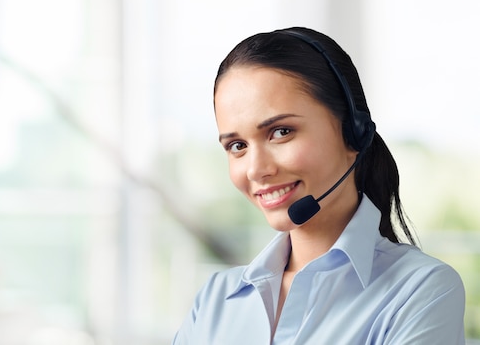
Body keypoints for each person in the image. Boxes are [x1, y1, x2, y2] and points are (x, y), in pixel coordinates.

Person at [172, 27, 466, 344]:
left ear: (354, 132)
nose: (257, 169)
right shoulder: (216, 300)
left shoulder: (420, 290)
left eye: (281, 132)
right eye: (237, 146)